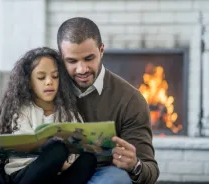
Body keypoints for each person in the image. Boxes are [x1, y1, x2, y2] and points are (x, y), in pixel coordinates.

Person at [0, 47, 97, 184]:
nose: (49, 82)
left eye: (55, 76)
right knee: (57, 149)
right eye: (41, 77)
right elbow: (20, 148)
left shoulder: (69, 113)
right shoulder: (22, 110)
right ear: (29, 82)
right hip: (24, 174)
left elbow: (78, 149)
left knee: (89, 159)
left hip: (57, 175)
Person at [56, 17, 159, 184]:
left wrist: (135, 165)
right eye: (72, 61)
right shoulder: (47, 88)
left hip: (102, 175)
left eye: (89, 58)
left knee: (116, 179)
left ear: (101, 50)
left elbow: (150, 171)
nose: (82, 69)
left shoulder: (130, 99)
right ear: (61, 57)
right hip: (56, 172)